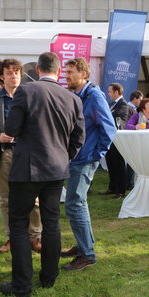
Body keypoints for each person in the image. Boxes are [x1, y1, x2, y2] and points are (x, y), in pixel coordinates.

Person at [0, 52, 85, 297]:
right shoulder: (72, 98)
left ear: (37, 69)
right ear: (59, 71)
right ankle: (48, 278)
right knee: (51, 223)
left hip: (28, 169)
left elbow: (12, 129)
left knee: (18, 224)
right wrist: (63, 157)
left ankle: (22, 286)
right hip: (56, 169)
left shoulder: (27, 91)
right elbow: (79, 138)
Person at [0, 59, 42, 254]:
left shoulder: (31, 96)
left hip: (28, 154)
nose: (13, 75)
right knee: (6, 200)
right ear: (1, 76)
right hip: (4, 153)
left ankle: (35, 237)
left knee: (34, 198)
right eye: (9, 72)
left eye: (16, 72)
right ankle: (11, 238)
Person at [60, 58, 115, 271]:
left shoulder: (95, 96)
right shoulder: (79, 95)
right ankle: (85, 245)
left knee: (74, 204)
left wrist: (95, 154)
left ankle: (87, 254)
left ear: (83, 74)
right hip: (77, 158)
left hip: (85, 159)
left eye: (71, 72)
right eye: (66, 72)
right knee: (78, 204)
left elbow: (109, 129)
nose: (67, 76)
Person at [101, 83, 130, 198]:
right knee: (111, 163)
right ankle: (112, 187)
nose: (109, 94)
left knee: (118, 164)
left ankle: (121, 190)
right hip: (109, 137)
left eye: (110, 92)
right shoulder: (111, 104)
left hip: (118, 137)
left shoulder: (123, 104)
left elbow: (114, 117)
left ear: (117, 92)